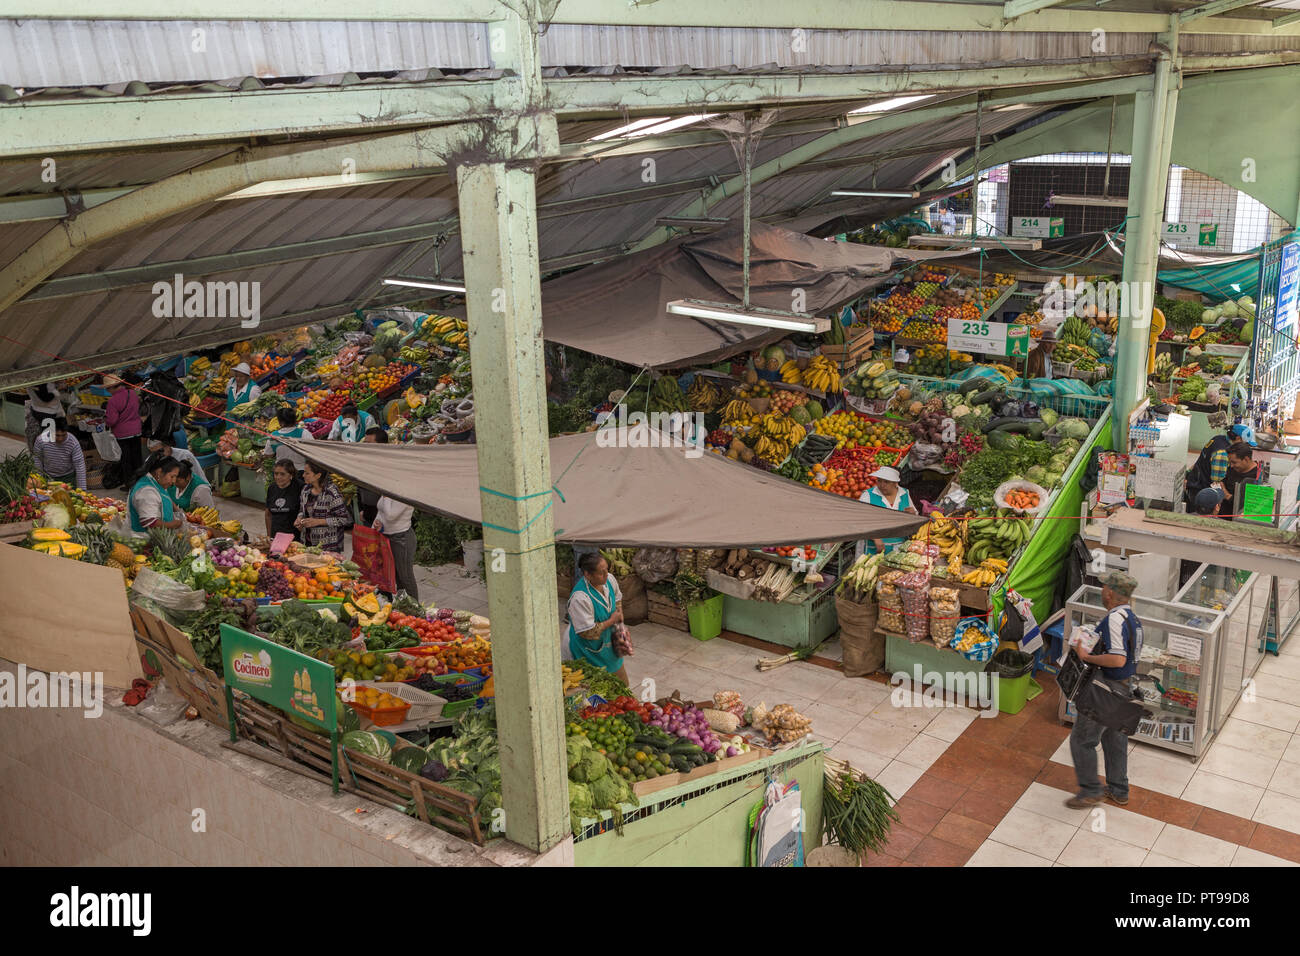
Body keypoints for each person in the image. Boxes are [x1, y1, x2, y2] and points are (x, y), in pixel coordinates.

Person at [1067, 570, 1144, 809]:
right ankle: (1119, 790)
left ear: (1109, 592)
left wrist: (1087, 656)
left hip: (1107, 690)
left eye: (1104, 588)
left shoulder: (1114, 619)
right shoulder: (1133, 619)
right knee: (1114, 738)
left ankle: (1091, 790)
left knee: (1082, 740)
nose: (1102, 591)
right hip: (1125, 688)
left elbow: (1118, 659)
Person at [565, 551, 629, 686]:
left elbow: (617, 599)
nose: (606, 575)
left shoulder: (609, 580)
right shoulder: (580, 598)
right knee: (597, 694)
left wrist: (620, 619)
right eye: (601, 572)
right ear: (587, 574)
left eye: (607, 569)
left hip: (609, 645)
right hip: (588, 650)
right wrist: (612, 621)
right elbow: (587, 633)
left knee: (623, 685)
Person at [1184, 413, 1254, 506]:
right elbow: (1217, 483)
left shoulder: (1219, 439)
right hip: (1201, 491)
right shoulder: (1223, 454)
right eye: (1245, 443)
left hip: (1195, 482)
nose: (1245, 446)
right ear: (1237, 438)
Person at [857, 466, 917, 559]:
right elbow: (859, 520)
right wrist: (876, 538)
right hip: (873, 548)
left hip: (899, 547)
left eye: (886, 482)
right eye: (879, 481)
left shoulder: (904, 493)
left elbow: (915, 516)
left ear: (895, 483)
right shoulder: (868, 495)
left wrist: (912, 515)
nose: (882, 485)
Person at [296, 461, 350, 553]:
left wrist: (318, 522)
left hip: (328, 546)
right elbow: (302, 509)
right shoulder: (305, 490)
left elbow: (343, 519)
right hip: (308, 542)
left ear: (318, 475)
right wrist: (299, 518)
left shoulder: (331, 493)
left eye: (307, 473)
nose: (303, 475)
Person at [374, 490, 418, 600]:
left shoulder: (406, 492)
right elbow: (381, 510)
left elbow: (390, 516)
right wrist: (378, 523)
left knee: (405, 577)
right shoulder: (390, 489)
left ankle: (415, 610)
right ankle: (402, 606)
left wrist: (386, 496)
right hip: (387, 537)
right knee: (395, 576)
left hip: (402, 538)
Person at [104, 372, 144, 491]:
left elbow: (112, 420)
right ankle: (142, 484)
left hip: (123, 434)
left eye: (107, 388)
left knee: (127, 460)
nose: (107, 391)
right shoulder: (132, 393)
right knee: (137, 458)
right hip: (136, 430)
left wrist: (106, 420)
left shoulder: (113, 401)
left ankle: (130, 485)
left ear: (112, 387)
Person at [128, 454, 183, 531]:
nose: (174, 481)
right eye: (172, 476)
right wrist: (174, 524)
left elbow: (163, 496)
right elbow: (149, 522)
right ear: (159, 472)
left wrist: (177, 510)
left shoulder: (157, 482)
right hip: (144, 538)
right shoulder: (146, 491)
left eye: (175, 477)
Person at [32, 417, 87, 490]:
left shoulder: (73, 442)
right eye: (57, 435)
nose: (60, 439)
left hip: (68, 477)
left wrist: (82, 489)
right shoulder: (41, 440)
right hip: (47, 476)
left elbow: (80, 465)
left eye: (63, 435)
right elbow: (37, 460)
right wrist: (39, 480)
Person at [265, 459, 304, 543]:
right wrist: (269, 535)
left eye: (282, 474)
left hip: (294, 538)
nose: (278, 477)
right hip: (276, 535)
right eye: (276, 474)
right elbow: (268, 514)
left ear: (291, 475)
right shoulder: (272, 488)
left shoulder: (300, 487)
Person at [265, 406, 313, 474]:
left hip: (281, 473)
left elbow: (268, 455)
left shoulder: (274, 436)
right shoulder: (304, 433)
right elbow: (313, 451)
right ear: (295, 420)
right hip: (300, 471)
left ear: (280, 422)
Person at [1219, 441, 1262, 516]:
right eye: (1230, 462)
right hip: (1223, 514)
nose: (1231, 466)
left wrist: (1227, 495)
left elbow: (1247, 505)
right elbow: (1223, 482)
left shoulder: (1257, 477)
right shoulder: (1233, 468)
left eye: (1234, 462)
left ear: (1246, 459)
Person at [357, 427, 387, 525]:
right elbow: (359, 487)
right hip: (368, 516)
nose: (366, 447)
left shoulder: (389, 465)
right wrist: (361, 510)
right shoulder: (363, 463)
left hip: (386, 518)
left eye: (369, 444)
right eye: (365, 443)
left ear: (382, 445)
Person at [24, 383, 62, 452]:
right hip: (46, 413)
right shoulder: (42, 384)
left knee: (39, 440)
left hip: (36, 411)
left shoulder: (30, 381)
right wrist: (58, 389)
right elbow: (46, 397)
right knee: (47, 442)